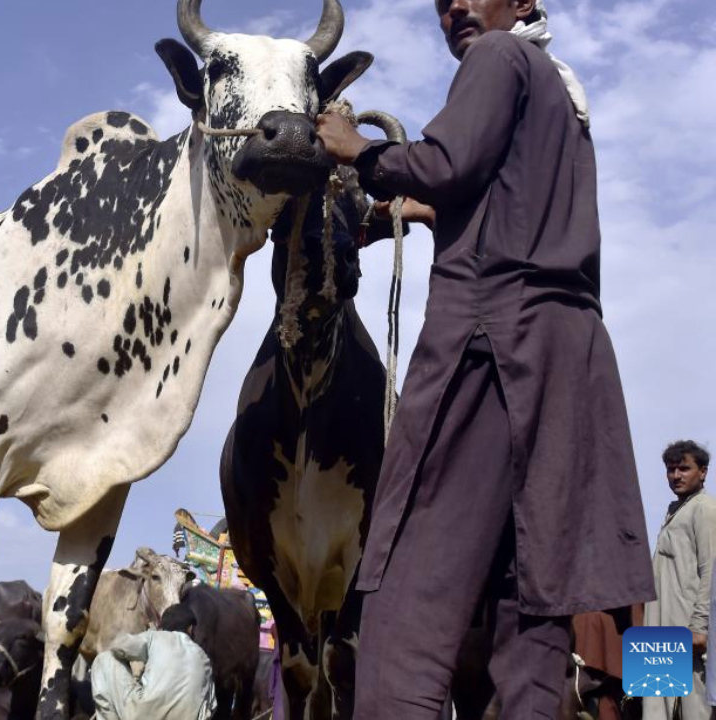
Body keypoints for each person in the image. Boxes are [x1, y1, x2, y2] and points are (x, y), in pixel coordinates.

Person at [315, 0, 655, 716]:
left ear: (524, 0)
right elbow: (495, 198)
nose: (456, 8)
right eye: (441, 3)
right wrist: (405, 214)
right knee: (529, 607)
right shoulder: (561, 94)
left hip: (492, 349)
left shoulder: (498, 58)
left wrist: (357, 150)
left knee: (407, 605)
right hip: (565, 365)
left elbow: (448, 161)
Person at [644, 441, 715, 720]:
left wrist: (700, 625)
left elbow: (712, 569)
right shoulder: (675, 510)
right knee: (655, 710)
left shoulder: (705, 509)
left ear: (703, 472)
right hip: (660, 631)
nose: (676, 475)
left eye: (684, 468)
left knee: (693, 711)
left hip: (686, 631)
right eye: (671, 469)